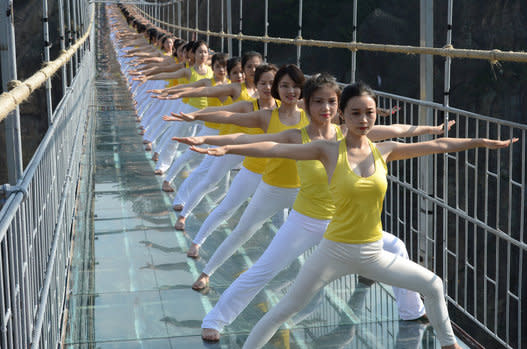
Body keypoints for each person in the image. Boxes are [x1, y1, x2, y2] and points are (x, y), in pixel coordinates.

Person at [191, 81, 516, 349]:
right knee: (279, 298)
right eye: (321, 103)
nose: (328, 109)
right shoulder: (319, 146)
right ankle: (216, 320)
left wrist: (479, 141)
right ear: (332, 113)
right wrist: (221, 145)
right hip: (315, 230)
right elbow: (268, 146)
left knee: (425, 276)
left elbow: (432, 143)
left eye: (332, 103)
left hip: (362, 242)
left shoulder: (377, 146)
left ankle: (429, 328)